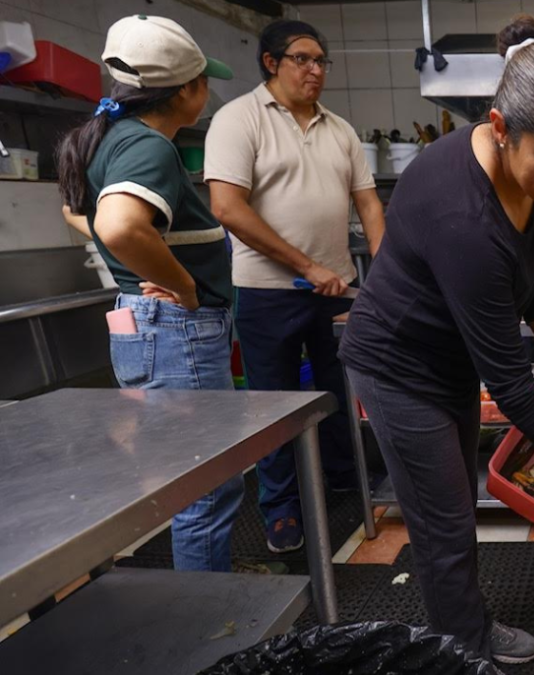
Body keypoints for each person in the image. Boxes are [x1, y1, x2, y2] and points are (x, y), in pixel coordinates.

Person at [338, 15, 534, 666]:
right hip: (399, 366)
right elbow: (510, 387)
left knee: (453, 515)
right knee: (443, 522)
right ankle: (462, 651)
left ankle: (467, 624)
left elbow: (525, 271)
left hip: (445, 359)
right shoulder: (464, 217)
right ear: (501, 128)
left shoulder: (518, 177)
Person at [56, 15, 244, 572]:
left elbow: (77, 213)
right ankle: (212, 624)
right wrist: (184, 287)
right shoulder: (149, 147)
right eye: (203, 82)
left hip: (148, 326)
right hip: (177, 329)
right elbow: (116, 226)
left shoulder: (106, 137)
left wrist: (139, 271)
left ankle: (205, 595)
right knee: (206, 485)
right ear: (186, 90)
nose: (206, 91)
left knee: (190, 476)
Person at [204, 20, 386, 554]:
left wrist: (390, 269)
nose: (315, 71)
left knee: (337, 393)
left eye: (321, 61)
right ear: (271, 62)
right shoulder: (239, 120)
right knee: (273, 404)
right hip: (267, 292)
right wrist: (307, 267)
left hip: (337, 289)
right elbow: (227, 208)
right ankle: (281, 507)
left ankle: (343, 479)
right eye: (303, 59)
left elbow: (369, 203)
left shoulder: (340, 129)